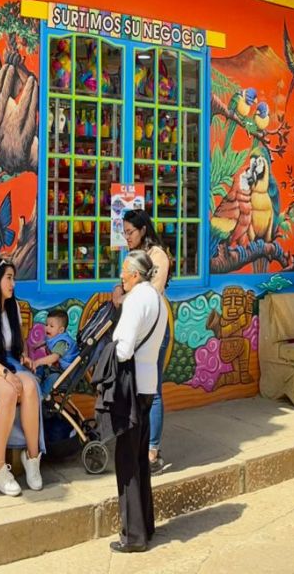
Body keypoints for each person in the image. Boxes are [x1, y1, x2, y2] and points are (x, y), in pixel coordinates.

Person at [109, 249, 167, 555]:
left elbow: (123, 350)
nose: (121, 275)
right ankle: (146, 524)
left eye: (124, 270)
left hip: (129, 386)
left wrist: (109, 350)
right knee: (140, 458)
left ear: (135, 273)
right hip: (148, 385)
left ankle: (133, 536)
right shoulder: (157, 298)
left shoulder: (134, 300)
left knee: (127, 461)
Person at [0, 259, 43, 496]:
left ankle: (32, 457)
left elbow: (16, 346)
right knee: (9, 392)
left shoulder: (13, 308)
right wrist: (5, 374)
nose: (13, 283)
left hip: (9, 361)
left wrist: (24, 357)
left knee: (30, 387)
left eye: (14, 278)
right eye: (9, 278)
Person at [114, 210, 171, 473]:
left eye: (130, 232)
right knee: (137, 387)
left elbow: (150, 292)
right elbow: (122, 285)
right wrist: (120, 291)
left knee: (153, 387)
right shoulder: (133, 255)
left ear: (143, 230)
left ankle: (152, 450)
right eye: (124, 232)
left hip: (153, 328)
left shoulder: (157, 255)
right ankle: (139, 442)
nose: (126, 237)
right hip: (136, 327)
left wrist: (122, 297)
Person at [31, 310, 75, 389]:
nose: (47, 328)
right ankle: (37, 379)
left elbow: (54, 357)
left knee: (53, 377)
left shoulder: (62, 342)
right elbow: (47, 341)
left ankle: (43, 393)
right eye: (46, 324)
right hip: (57, 367)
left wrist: (38, 362)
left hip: (65, 372)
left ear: (61, 330)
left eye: (51, 326)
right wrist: (37, 345)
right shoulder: (53, 336)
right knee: (41, 367)